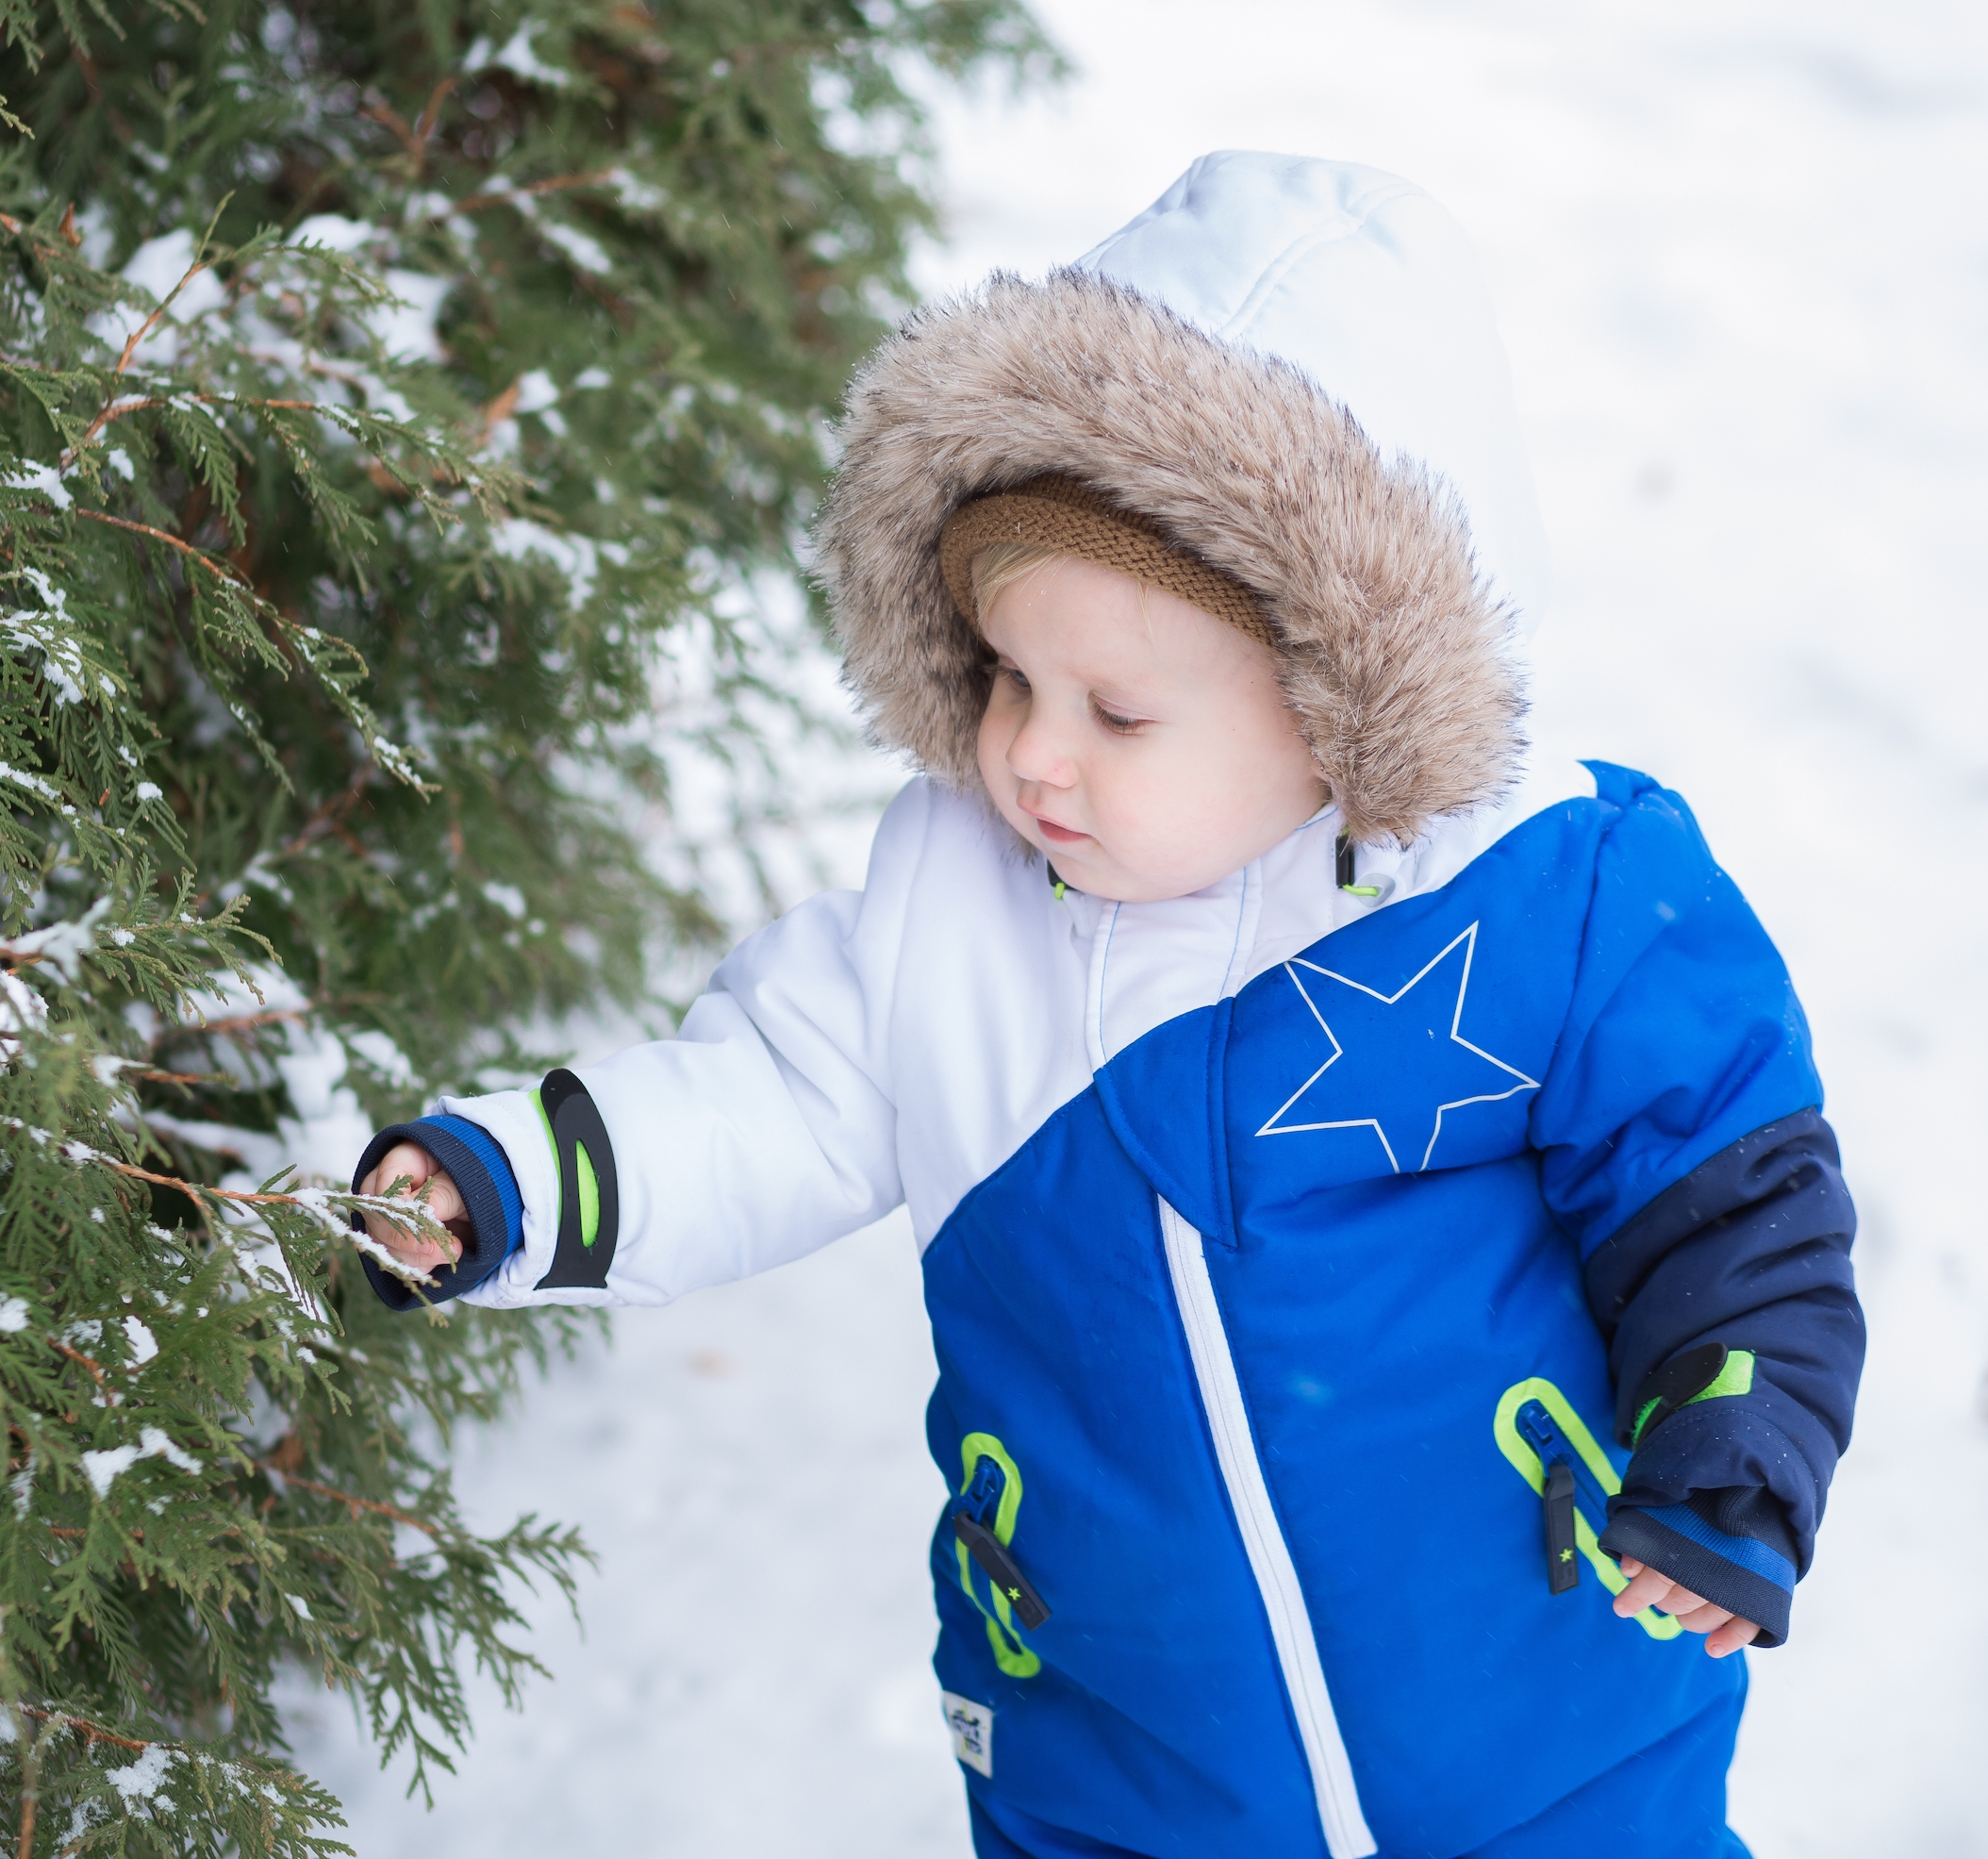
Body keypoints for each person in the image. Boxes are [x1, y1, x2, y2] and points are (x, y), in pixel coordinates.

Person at [352, 153, 1863, 1859]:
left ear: (1338, 700)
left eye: (1118, 714)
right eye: (1006, 676)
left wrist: (1729, 1449)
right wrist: (509, 1183)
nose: (1030, 753)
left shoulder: (1545, 896)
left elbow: (1728, 1198)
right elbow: (761, 1100)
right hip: (1120, 1760)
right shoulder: (950, 926)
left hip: (1552, 1729)